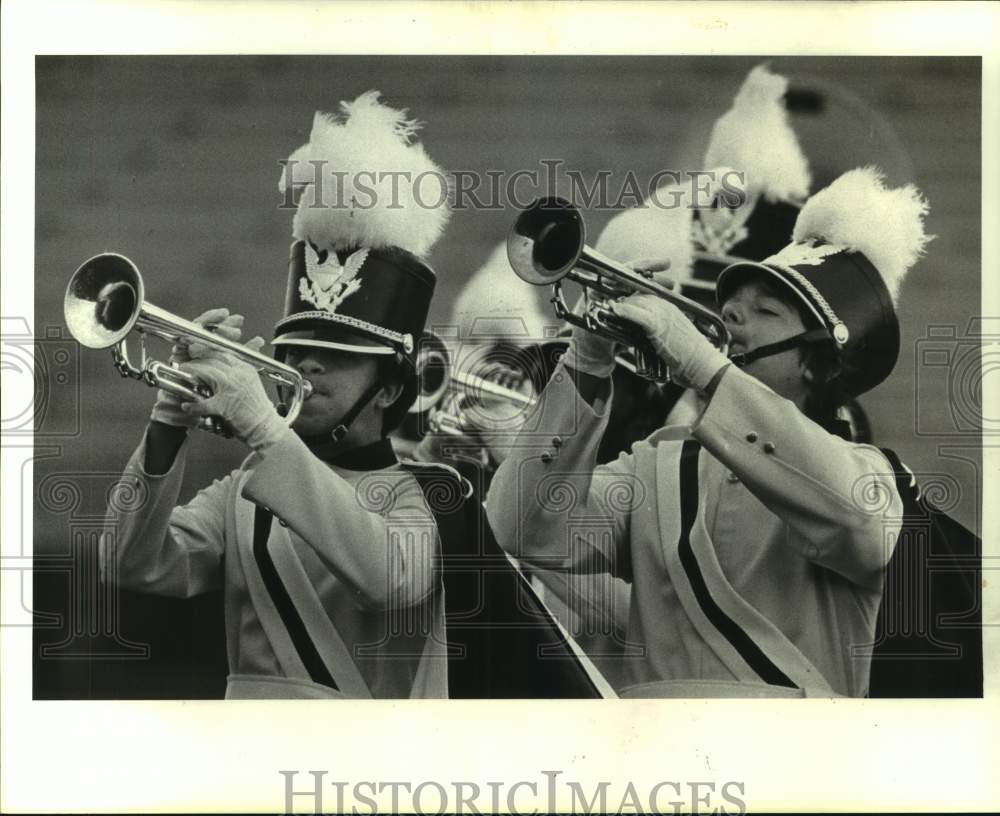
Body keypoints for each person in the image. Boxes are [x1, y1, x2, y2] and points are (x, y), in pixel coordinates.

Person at [102, 92, 602, 699]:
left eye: (336, 357)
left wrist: (264, 427)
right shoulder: (244, 487)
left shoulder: (435, 491)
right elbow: (131, 565)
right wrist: (166, 423)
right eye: (291, 352)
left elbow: (391, 578)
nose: (304, 365)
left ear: (390, 385)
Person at [486, 166, 930, 698]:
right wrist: (588, 354)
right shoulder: (658, 464)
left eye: (764, 312)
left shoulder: (871, 473)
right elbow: (519, 525)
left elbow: (861, 522)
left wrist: (703, 366)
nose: (732, 323)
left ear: (820, 365)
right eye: (732, 311)